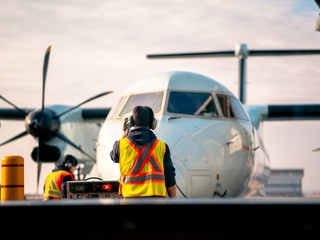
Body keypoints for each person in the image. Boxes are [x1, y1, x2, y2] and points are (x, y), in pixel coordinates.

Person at [110, 105, 177, 198]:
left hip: (130, 200)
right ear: (152, 123)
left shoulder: (120, 145)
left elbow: (113, 157)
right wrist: (174, 200)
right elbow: (169, 176)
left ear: (131, 122)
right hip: (156, 201)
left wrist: (124, 134)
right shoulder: (162, 147)